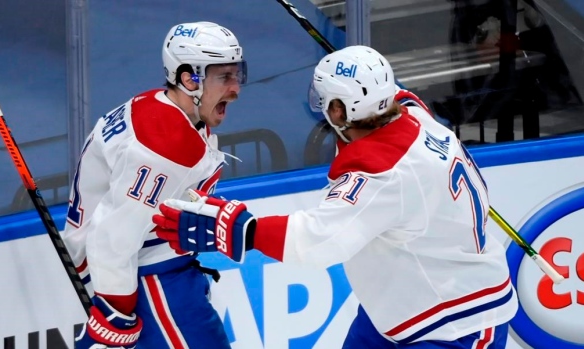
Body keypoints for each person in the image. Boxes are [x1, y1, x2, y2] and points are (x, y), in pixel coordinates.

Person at [152, 45, 518, 348]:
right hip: (396, 310)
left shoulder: (382, 173)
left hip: (456, 321)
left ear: (339, 110)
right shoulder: (414, 115)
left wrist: (242, 229)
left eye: (326, 101)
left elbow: (316, 240)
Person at [61, 21, 247, 349]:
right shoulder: (165, 144)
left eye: (237, 74)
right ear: (190, 78)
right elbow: (112, 239)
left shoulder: (160, 106)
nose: (236, 88)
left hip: (154, 273)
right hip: (152, 281)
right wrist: (115, 315)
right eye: (224, 77)